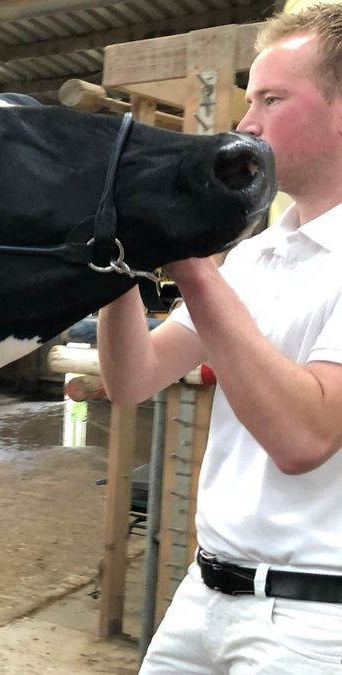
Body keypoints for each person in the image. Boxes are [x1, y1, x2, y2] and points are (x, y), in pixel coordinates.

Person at [98, 5, 342, 671]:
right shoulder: (258, 256)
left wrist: (189, 260)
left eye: (271, 98)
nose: (246, 123)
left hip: (313, 623)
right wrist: (116, 260)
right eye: (247, 98)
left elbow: (304, 437)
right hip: (204, 593)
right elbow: (133, 377)